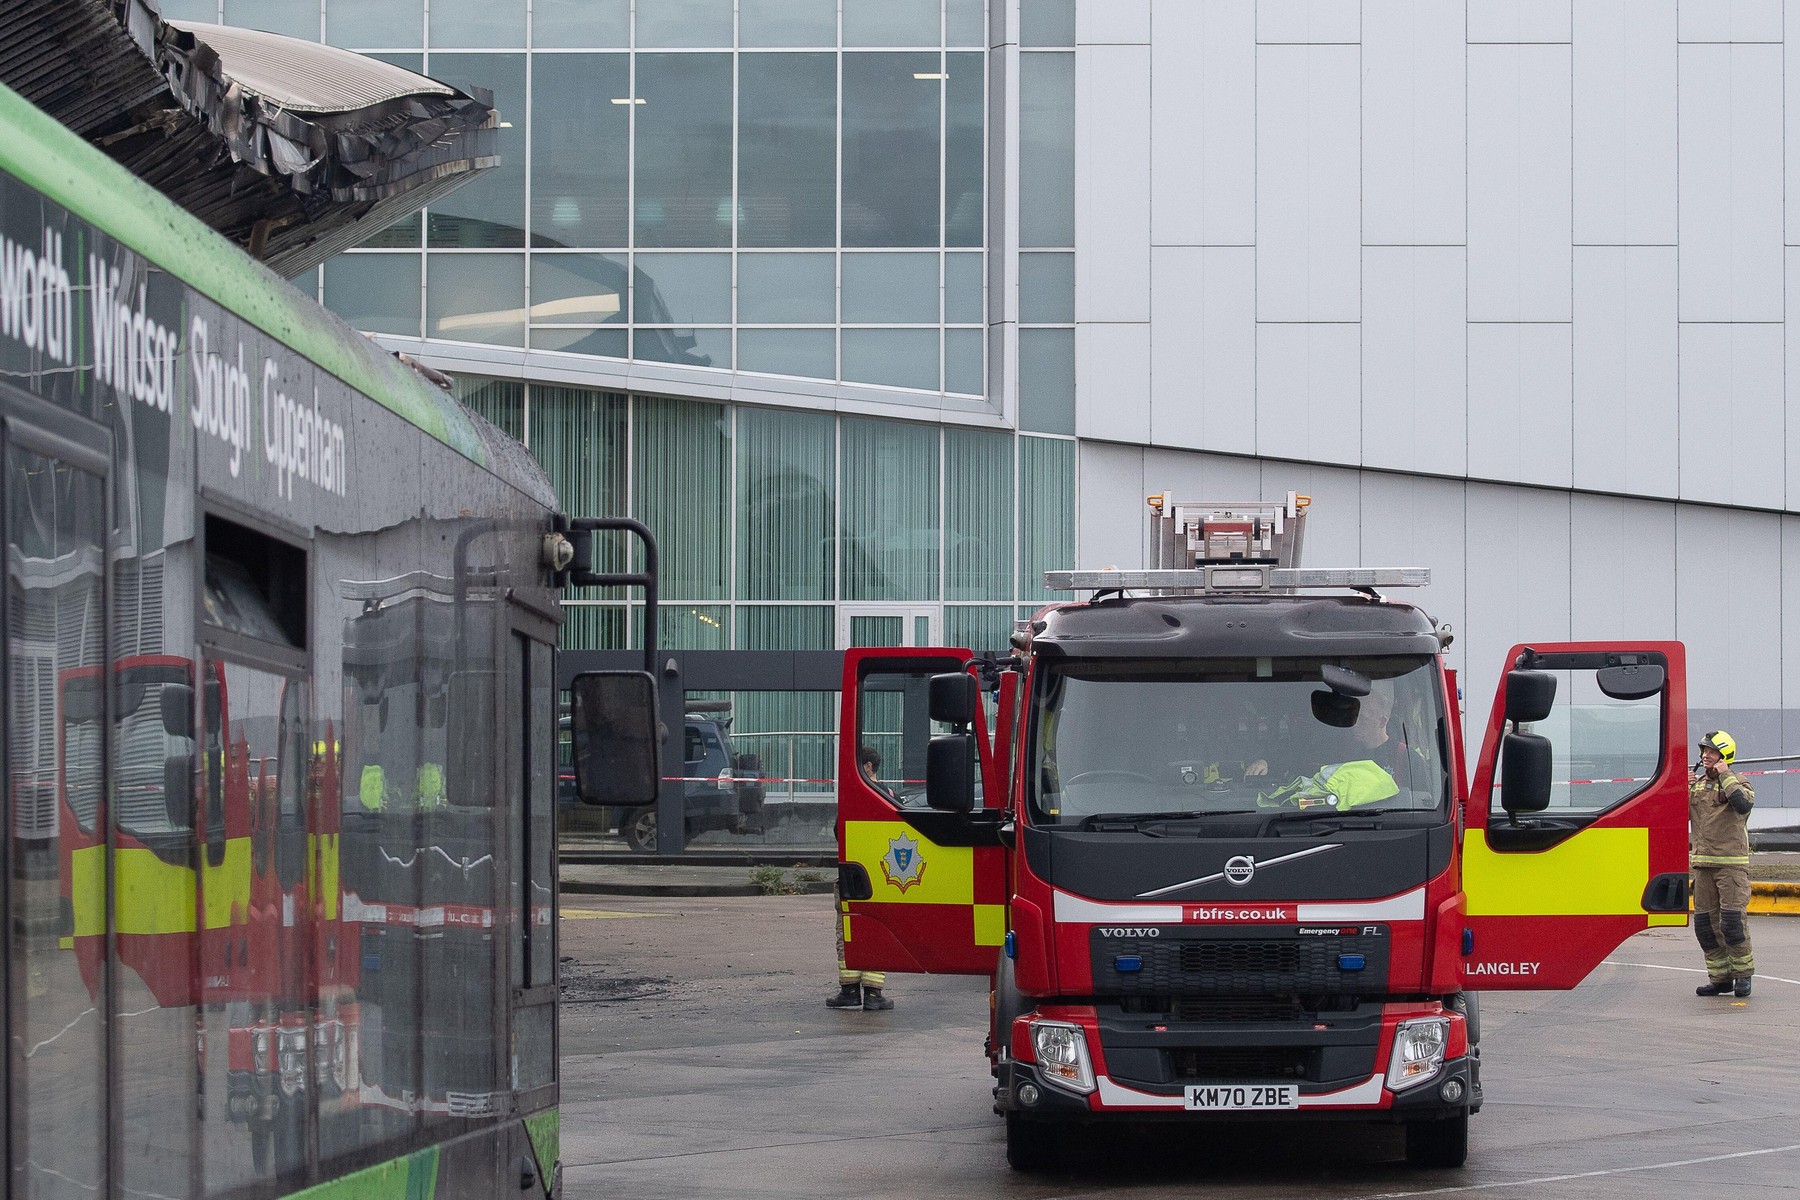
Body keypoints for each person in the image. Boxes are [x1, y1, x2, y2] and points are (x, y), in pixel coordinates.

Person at [827, 746, 895, 1011]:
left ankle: (850, 991)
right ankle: (874, 994)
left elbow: (838, 832)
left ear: (867, 767)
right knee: (877, 930)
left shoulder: (853, 796)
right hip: (882, 877)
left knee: (846, 930)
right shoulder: (889, 795)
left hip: (852, 874)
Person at [1690, 730, 1755, 998]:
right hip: (1703, 865)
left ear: (1724, 755)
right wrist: (1682, 787)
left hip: (1731, 867)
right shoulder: (1697, 785)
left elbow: (1741, 805)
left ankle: (1743, 976)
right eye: (1704, 751)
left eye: (1711, 751)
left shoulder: (1740, 783)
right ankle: (1719, 979)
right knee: (1705, 926)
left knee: (1731, 923)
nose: (1705, 755)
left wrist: (1725, 774)